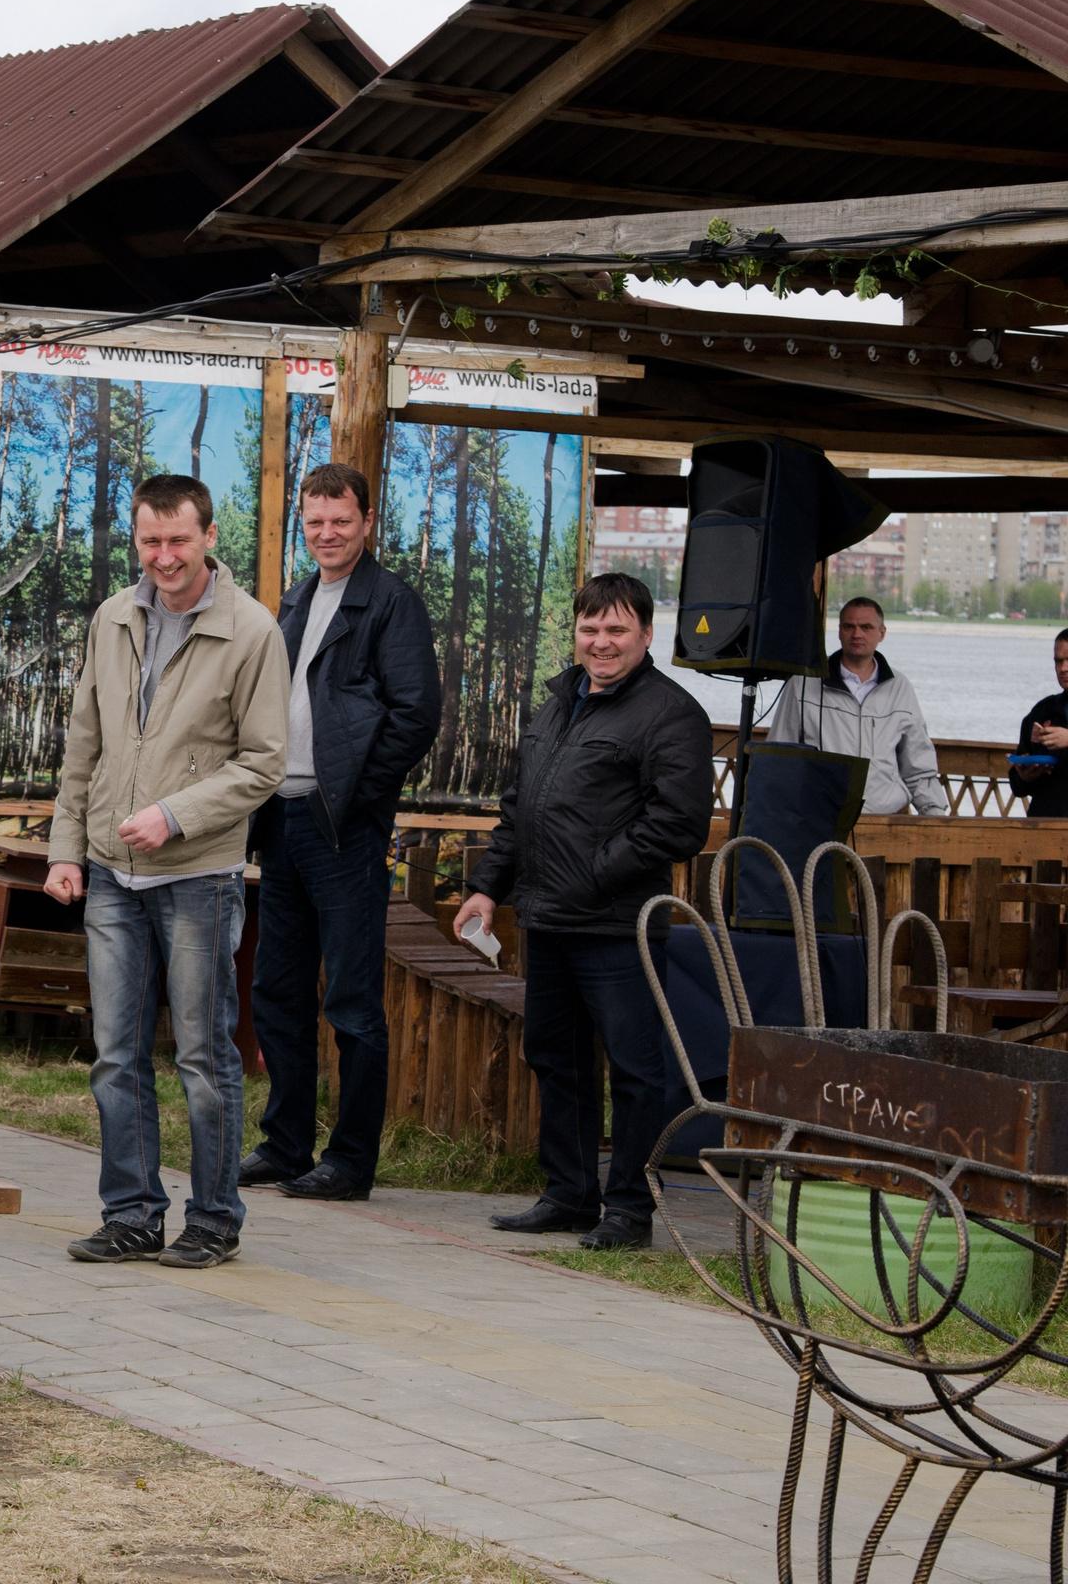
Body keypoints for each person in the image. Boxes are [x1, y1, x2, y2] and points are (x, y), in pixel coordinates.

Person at [45, 473, 287, 1269]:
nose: (164, 556)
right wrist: (64, 850)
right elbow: (85, 743)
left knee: (204, 1058)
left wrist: (176, 814)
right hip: (111, 874)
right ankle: (131, 1215)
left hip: (198, 875)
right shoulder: (112, 617)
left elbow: (264, 764)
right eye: (150, 541)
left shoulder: (252, 631)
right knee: (115, 1054)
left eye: (178, 540)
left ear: (210, 536)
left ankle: (214, 1220)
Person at [458, 572, 712, 1252]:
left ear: (647, 635)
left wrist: (596, 873)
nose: (601, 643)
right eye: (590, 629)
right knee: (556, 1058)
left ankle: (629, 1211)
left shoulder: (670, 713)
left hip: (616, 924)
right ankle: (570, 1194)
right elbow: (522, 809)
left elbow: (679, 824)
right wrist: (487, 886)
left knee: (633, 1070)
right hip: (548, 919)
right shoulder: (557, 702)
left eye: (617, 630)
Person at [243, 464, 440, 1203]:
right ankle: (285, 1145)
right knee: (277, 991)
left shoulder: (391, 603)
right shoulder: (294, 599)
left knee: (352, 1001)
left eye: (341, 521)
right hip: (283, 820)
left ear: (366, 522)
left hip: (343, 828)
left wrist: (353, 795)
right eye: (315, 521)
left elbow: (414, 715)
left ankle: (350, 1161)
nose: (328, 534)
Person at [765, 596, 947, 815]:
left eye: (866, 627)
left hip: (887, 818)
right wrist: (775, 814)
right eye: (849, 626)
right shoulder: (803, 683)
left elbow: (917, 765)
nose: (857, 634)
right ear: (839, 631)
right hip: (819, 816)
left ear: (882, 633)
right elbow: (779, 757)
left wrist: (935, 816)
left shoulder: (900, 687)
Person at [1014, 629, 1068, 817]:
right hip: (1044, 827)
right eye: (1058, 661)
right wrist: (1024, 777)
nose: (1063, 668)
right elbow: (1017, 784)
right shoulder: (1043, 711)